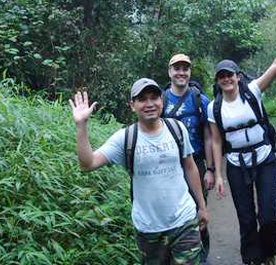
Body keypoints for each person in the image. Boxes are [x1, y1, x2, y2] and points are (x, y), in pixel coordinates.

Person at [69, 78, 209, 265]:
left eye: (154, 98)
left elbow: (190, 167)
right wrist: (81, 125)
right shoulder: (125, 138)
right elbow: (88, 164)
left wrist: (201, 206)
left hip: (184, 221)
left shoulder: (177, 128)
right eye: (142, 99)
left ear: (162, 101)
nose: (150, 104)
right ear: (132, 106)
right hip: (149, 230)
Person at [208, 13, 276, 265]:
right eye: (222, 76)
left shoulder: (252, 91)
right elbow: (217, 140)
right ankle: (252, 259)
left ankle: (269, 253)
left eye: (230, 74)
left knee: (268, 214)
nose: (226, 79)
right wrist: (218, 175)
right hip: (236, 163)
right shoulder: (214, 107)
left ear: (238, 76)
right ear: (218, 81)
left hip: (264, 158)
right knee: (245, 217)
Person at [163, 54, 214, 263]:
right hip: (168, 167)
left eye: (185, 68)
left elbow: (209, 136)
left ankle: (201, 255)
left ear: (190, 72)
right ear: (170, 72)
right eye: (177, 68)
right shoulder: (160, 99)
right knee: (171, 212)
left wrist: (211, 169)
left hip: (197, 164)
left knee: (198, 213)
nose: (181, 72)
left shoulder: (200, 100)